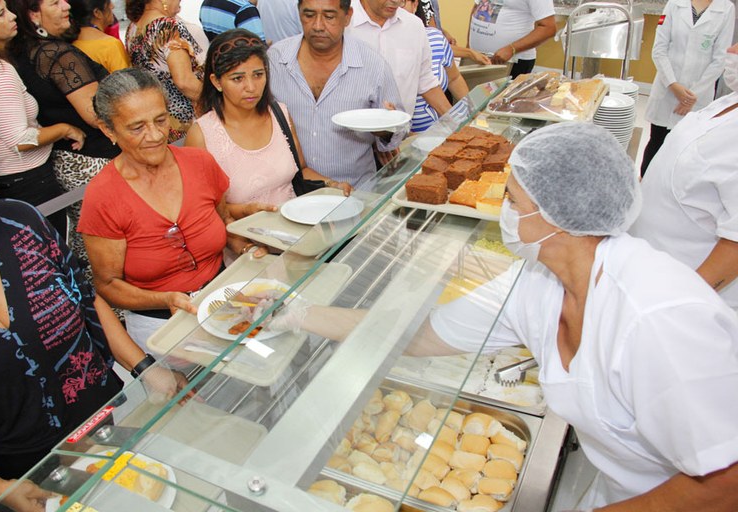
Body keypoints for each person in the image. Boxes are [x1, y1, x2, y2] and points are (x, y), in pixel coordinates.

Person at [271, 123, 738, 510]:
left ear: (558, 216)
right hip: (620, 492)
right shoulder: (536, 282)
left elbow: (725, 482)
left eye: (512, 200)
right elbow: (415, 335)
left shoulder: (659, 318)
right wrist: (295, 313)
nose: (503, 211)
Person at [0, 170, 188, 510]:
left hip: (95, 420)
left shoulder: (19, 221)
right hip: (16, 468)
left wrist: (145, 368)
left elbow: (86, 298)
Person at [78, 68, 271, 350]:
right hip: (160, 325)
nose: (156, 135)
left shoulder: (200, 164)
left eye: (161, 120)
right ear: (108, 130)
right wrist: (165, 298)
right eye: (137, 127)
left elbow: (224, 222)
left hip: (224, 300)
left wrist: (246, 248)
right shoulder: (103, 196)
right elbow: (108, 284)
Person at [8, 0, 121, 265]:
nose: (66, 5)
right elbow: (96, 113)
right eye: (55, 2)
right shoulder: (55, 54)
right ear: (33, 14)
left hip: (67, 159)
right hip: (95, 160)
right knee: (109, 240)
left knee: (90, 238)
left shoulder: (21, 53)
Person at [186, 29, 351, 205]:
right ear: (216, 82)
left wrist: (332, 185)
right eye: (237, 78)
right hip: (243, 224)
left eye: (258, 75)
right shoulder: (202, 135)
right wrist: (243, 212)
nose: (251, 87)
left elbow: (300, 170)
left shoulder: (279, 114)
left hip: (294, 219)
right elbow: (200, 206)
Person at [631, 43, 738, 309]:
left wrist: (681, 303)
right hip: (649, 268)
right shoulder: (729, 102)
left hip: (680, 291)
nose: (732, 49)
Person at [0, 0, 85, 236]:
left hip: (0, 175)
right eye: (1, 14)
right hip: (28, 180)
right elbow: (21, 140)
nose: (13, 16)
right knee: (49, 246)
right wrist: (65, 129)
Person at [267, 0, 405, 189]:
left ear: (347, 16)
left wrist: (386, 129)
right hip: (291, 193)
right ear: (299, 14)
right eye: (309, 15)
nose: (318, 26)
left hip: (354, 192)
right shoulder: (276, 59)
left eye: (329, 16)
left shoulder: (373, 65)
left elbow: (398, 130)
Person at [639, 0, 734, 176]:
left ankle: (669, 189)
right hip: (667, 88)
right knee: (657, 141)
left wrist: (691, 96)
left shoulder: (726, 8)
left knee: (685, 148)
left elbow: (720, 59)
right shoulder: (675, 3)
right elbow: (659, 49)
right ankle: (644, 183)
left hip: (698, 96)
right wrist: (673, 85)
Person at [346, 0, 451, 126]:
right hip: (347, 133)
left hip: (397, 133)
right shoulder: (341, 21)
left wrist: (455, 122)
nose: (396, 2)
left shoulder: (414, 26)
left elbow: (425, 80)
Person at [125, 0, 205, 142]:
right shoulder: (167, 26)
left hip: (159, 118)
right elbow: (184, 82)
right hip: (185, 121)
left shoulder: (133, 27)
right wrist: (217, 101)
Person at [404, 0, 469, 132]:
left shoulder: (435, 37)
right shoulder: (379, 46)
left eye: (402, 2)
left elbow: (454, 78)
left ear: (415, 5)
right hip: (404, 138)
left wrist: (472, 110)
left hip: (441, 131)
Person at [466, 0, 556, 78]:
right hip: (476, 57)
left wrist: (511, 49)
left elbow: (548, 28)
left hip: (512, 62)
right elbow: (476, 7)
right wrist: (468, 45)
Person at [70, 0, 131, 73]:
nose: (112, 6)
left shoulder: (69, 43)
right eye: (108, 2)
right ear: (97, 13)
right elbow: (125, 79)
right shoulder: (110, 46)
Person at [199, 0, 265, 42]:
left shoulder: (206, 3)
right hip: (239, 60)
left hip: (216, 59)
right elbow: (258, 51)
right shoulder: (245, 9)